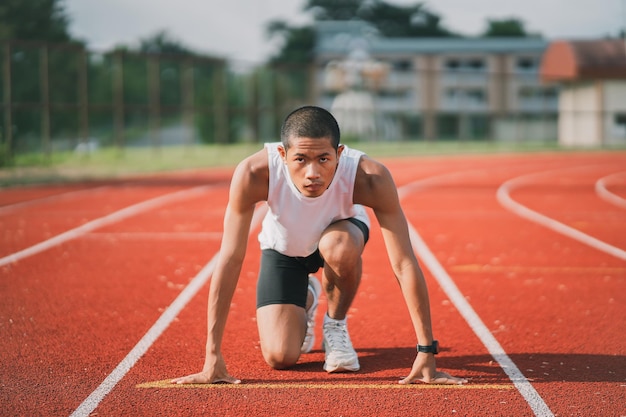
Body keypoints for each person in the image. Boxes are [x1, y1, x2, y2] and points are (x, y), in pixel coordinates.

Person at [172, 106, 467, 385]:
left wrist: (426, 351)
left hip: (340, 237)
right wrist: (212, 356)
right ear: (282, 154)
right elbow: (229, 258)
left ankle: (335, 325)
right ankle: (310, 296)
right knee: (280, 357)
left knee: (338, 248)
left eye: (323, 159)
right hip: (284, 249)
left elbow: (404, 263)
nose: (312, 172)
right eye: (301, 159)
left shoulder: (369, 177)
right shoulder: (253, 173)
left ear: (339, 153)